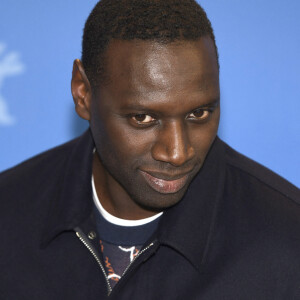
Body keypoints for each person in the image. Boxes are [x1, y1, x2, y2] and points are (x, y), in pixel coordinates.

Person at [0, 0, 299, 299]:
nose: (178, 153)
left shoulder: (287, 239)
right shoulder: (10, 212)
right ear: (84, 93)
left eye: (199, 114)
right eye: (143, 118)